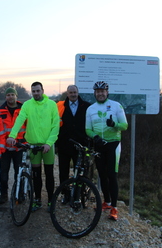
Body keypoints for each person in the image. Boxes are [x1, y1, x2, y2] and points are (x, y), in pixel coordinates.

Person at [6, 82, 59, 212]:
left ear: (42, 90)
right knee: (36, 175)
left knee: (49, 174)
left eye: (38, 91)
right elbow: (20, 119)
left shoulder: (51, 104)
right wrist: (12, 135)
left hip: (48, 145)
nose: (35, 93)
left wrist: (49, 143)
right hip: (33, 145)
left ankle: (51, 200)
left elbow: (55, 125)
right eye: (33, 91)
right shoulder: (27, 105)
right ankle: (37, 200)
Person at [85, 81, 128, 221]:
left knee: (112, 175)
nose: (100, 93)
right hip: (99, 145)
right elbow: (88, 129)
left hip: (113, 145)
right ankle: (107, 202)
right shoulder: (90, 109)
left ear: (107, 92)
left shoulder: (116, 106)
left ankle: (114, 208)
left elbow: (125, 125)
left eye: (103, 91)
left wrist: (114, 124)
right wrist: (95, 136)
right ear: (95, 93)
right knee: (102, 175)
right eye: (98, 91)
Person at [55, 85, 91, 203]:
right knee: (63, 172)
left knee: (80, 172)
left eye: (75, 92)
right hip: (64, 145)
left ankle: (77, 196)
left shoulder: (86, 106)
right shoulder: (60, 106)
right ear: (67, 93)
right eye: (70, 92)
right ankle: (65, 194)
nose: (73, 94)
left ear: (78, 92)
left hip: (80, 146)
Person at [0, 87, 26, 204]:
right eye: (8, 95)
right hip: (5, 148)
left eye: (12, 95)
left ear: (16, 96)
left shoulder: (24, 109)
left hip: (19, 146)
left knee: (19, 173)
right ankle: (3, 195)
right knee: (3, 174)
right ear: (5, 97)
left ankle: (19, 195)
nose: (10, 97)